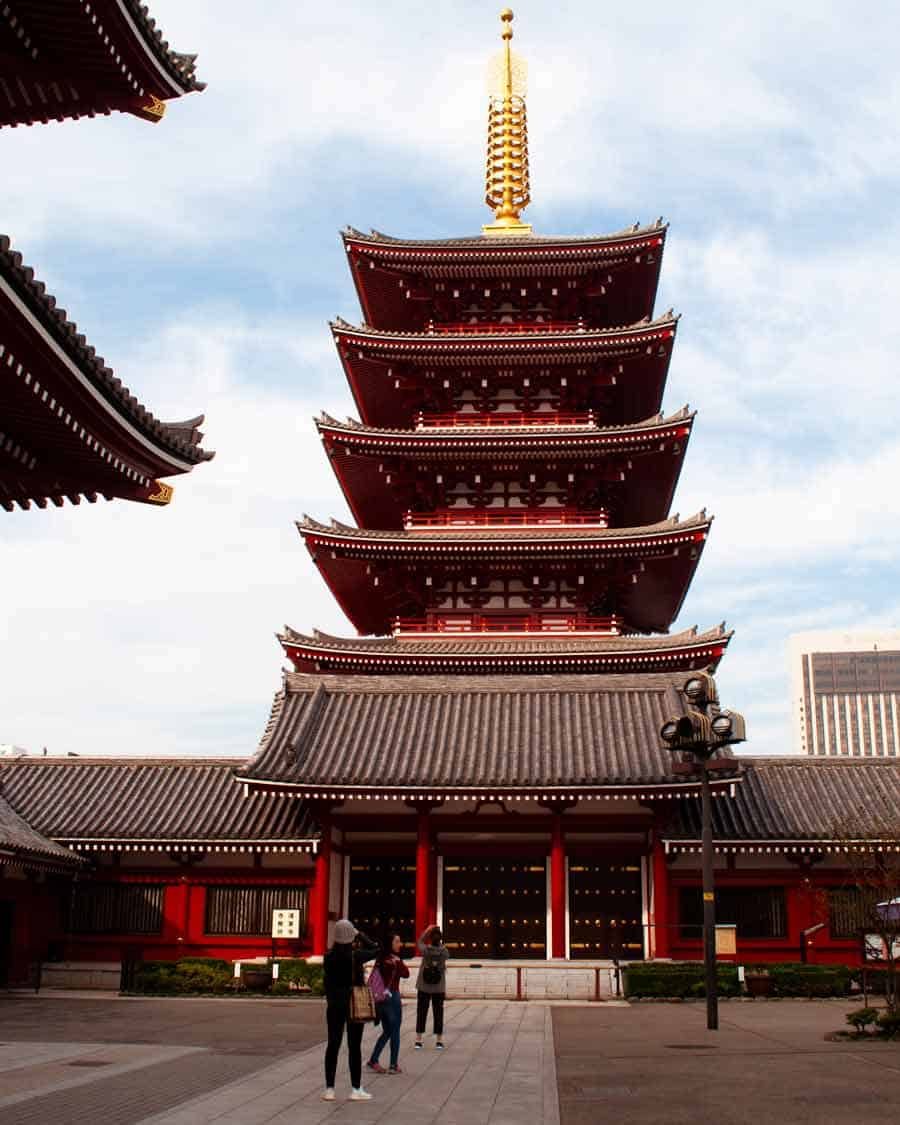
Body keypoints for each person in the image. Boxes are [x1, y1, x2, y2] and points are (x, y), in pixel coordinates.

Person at [322, 919, 378, 1102]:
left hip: (335, 1005)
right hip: (354, 1004)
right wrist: (360, 933)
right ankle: (355, 1088)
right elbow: (377, 949)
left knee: (333, 1045)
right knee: (354, 1047)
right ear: (350, 936)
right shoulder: (357, 955)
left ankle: (329, 1089)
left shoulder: (328, 956)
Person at [366, 933, 410, 1075]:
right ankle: (393, 1064)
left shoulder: (380, 959)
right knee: (395, 1031)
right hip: (392, 998)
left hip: (381, 999)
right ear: (390, 943)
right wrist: (399, 961)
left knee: (387, 1031)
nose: (400, 944)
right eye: (397, 941)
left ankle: (373, 1059)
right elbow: (406, 973)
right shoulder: (393, 961)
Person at [414, 923, 449, 1050]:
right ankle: (439, 1040)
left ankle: (418, 1039)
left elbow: (419, 941)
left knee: (421, 1012)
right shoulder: (444, 951)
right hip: (439, 986)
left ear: (431, 938)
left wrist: (427, 930)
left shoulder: (426, 950)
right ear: (440, 939)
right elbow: (447, 956)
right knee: (438, 1012)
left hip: (424, 985)